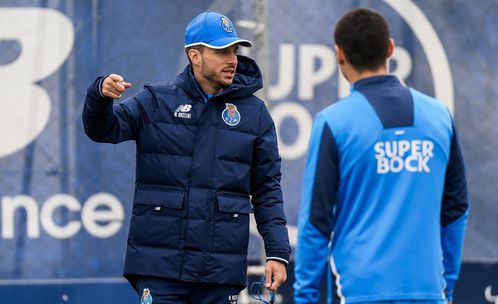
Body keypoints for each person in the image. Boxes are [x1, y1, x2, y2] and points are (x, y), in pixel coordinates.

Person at [82, 11, 291, 304]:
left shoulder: (254, 114)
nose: (232, 59)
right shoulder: (156, 101)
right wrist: (99, 96)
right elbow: (104, 129)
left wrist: (278, 252)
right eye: (221, 51)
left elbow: (267, 188)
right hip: (160, 271)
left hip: (220, 274)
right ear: (195, 55)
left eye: (234, 50)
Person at [294, 8, 469, 304]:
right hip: (428, 292)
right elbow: (456, 210)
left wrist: (306, 298)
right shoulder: (439, 116)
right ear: (390, 49)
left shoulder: (333, 123)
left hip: (358, 293)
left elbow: (315, 222)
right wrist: (446, 286)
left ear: (339, 55)